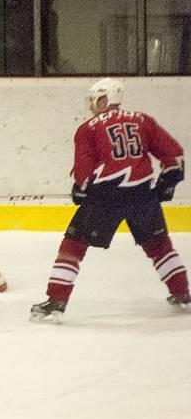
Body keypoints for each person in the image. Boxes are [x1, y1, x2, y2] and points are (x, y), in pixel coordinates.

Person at [31, 78, 188, 322]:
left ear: (105, 98)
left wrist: (80, 188)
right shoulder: (143, 120)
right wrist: (167, 183)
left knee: (73, 245)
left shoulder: (89, 127)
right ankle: (182, 293)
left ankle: (56, 301)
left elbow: (84, 169)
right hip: (141, 194)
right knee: (159, 245)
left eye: (95, 99)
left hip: (105, 196)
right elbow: (174, 155)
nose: (93, 105)